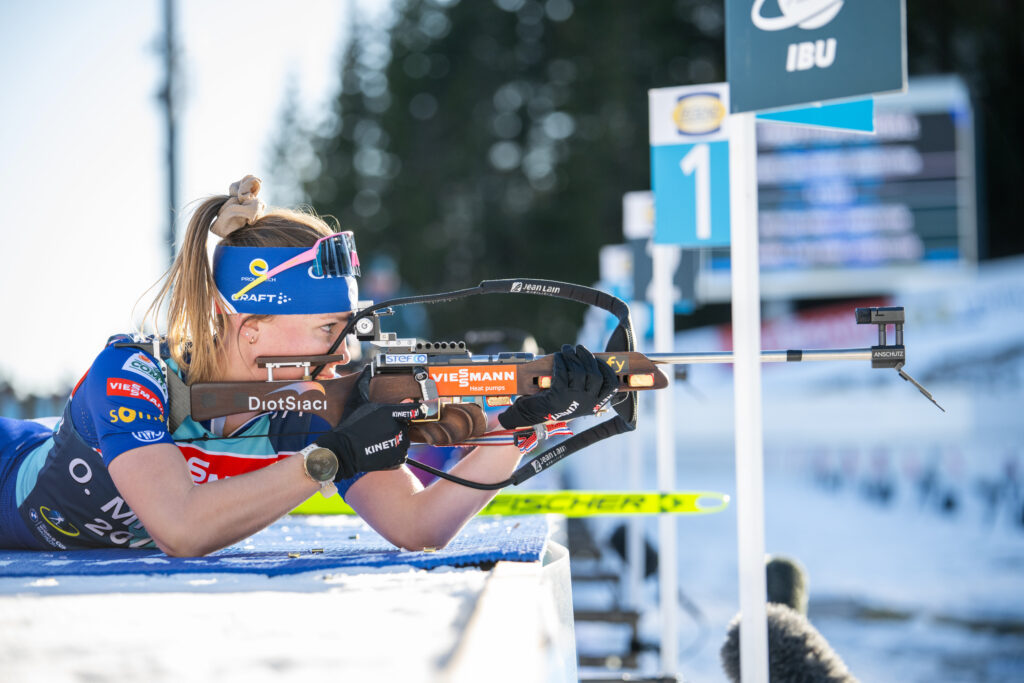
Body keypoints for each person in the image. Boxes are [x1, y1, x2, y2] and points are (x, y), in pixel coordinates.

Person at [0, 176, 617, 557]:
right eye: (328, 330)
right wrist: (328, 460)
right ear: (250, 325)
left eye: (348, 330)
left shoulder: (310, 401)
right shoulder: (133, 376)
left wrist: (518, 427)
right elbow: (180, 529)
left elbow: (418, 525)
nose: (344, 353)